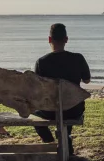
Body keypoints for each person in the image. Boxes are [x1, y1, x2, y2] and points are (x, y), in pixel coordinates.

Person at [32, 23, 91, 154]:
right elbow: (87, 80)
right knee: (67, 107)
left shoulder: (41, 62)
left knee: (34, 114)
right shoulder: (78, 58)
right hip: (74, 109)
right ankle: (65, 137)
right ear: (66, 39)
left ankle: (49, 141)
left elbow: (37, 90)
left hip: (50, 111)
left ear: (49, 39)